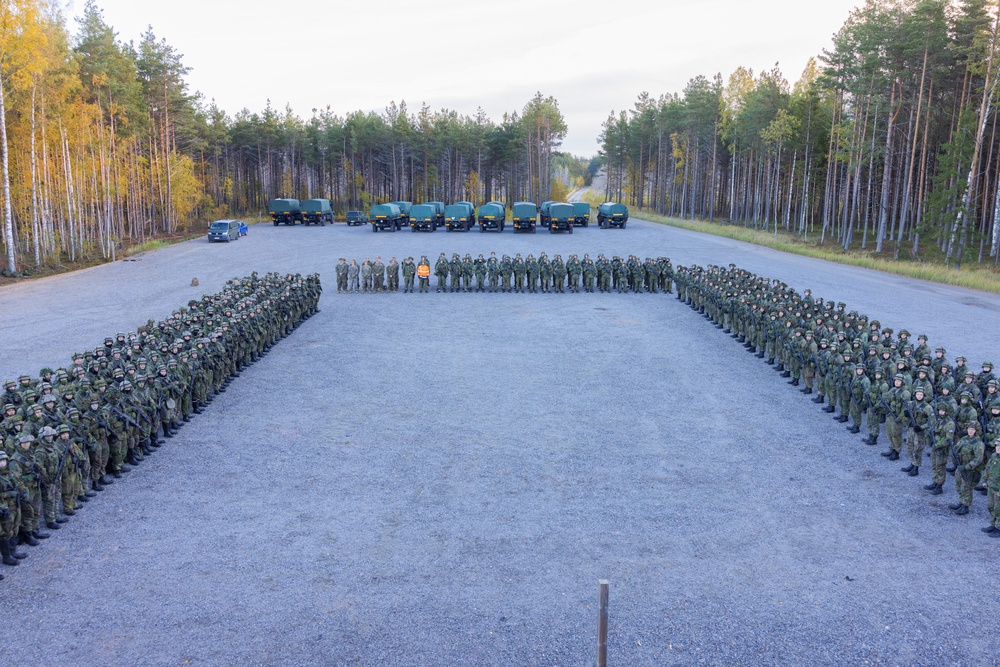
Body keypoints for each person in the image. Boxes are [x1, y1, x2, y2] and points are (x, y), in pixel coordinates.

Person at [951, 424, 985, 515]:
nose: (970, 431)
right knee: (959, 485)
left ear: (976, 431)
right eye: (969, 429)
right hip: (960, 465)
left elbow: (978, 460)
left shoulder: (978, 443)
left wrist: (966, 467)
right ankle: (961, 502)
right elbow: (956, 448)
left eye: (972, 429)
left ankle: (965, 506)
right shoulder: (964, 438)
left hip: (969, 470)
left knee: (966, 487)